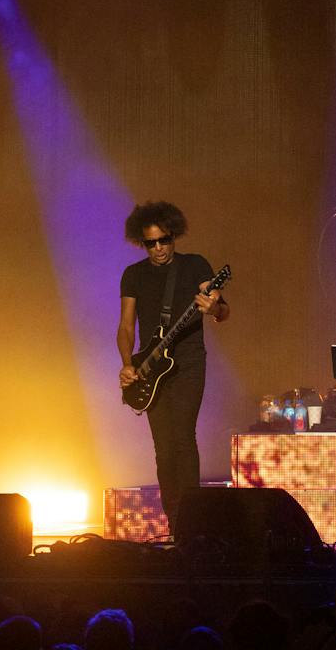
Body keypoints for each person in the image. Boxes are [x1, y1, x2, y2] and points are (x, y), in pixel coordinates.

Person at [116, 201, 227, 529]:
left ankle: (194, 522)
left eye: (165, 240)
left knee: (182, 435)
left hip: (189, 362)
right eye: (151, 243)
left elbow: (223, 312)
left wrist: (214, 307)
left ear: (174, 236)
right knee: (163, 447)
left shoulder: (194, 266)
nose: (159, 248)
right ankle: (176, 523)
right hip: (151, 366)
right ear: (141, 242)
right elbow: (125, 326)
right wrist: (127, 364)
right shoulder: (133, 275)